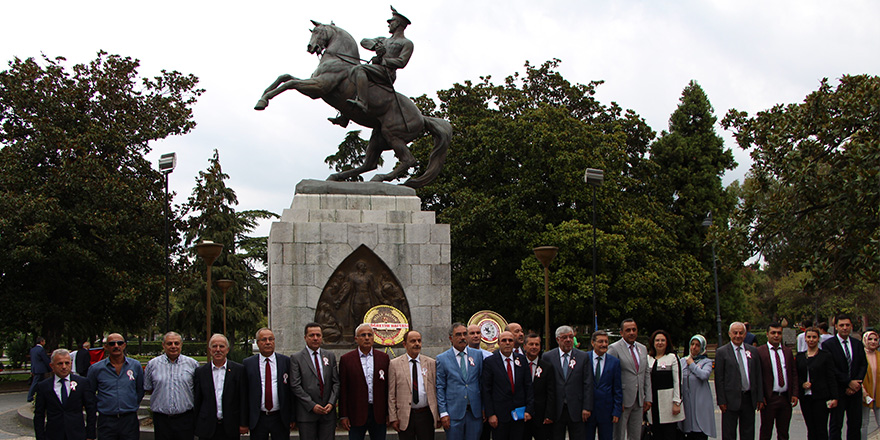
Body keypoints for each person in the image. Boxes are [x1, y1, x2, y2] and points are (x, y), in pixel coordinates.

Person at [345, 6, 414, 115]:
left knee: (359, 69)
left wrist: (383, 61)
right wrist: (375, 46)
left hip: (387, 73)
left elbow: (402, 62)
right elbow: (364, 41)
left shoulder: (406, 43)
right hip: (376, 69)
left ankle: (362, 103)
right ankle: (345, 115)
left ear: (398, 24)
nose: (389, 24)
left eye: (391, 22)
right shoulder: (383, 40)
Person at [87, 333, 145, 440]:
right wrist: (102, 404)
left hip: (129, 420)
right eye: (112, 343)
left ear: (124, 345)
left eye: (119, 343)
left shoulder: (135, 366)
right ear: (106, 346)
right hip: (106, 420)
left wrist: (131, 403)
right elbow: (90, 393)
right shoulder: (96, 369)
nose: (116, 346)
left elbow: (140, 390)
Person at [241, 328, 294, 440]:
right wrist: (244, 421)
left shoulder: (285, 361)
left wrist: (292, 417)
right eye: (264, 340)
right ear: (258, 343)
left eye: (271, 339)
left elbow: (291, 391)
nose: (268, 342)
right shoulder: (248, 364)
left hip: (279, 417)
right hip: (258, 418)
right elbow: (244, 394)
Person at [144, 331, 200, 440]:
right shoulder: (152, 365)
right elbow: (149, 388)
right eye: (169, 343)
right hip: (161, 420)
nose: (173, 346)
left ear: (181, 345)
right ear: (163, 345)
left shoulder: (193, 364)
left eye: (176, 343)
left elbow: (197, 389)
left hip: (185, 419)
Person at [339, 324, 389, 440]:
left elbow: (387, 387)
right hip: (356, 413)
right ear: (356, 339)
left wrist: (389, 413)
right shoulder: (346, 360)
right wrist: (343, 415)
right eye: (363, 335)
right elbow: (343, 389)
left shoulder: (383, 358)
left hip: (378, 413)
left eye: (369, 335)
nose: (367, 338)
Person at [541, 325, 592, 440]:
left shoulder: (582, 357)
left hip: (577, 408)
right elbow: (544, 385)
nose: (568, 340)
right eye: (564, 337)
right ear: (557, 339)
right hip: (556, 409)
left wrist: (587, 407)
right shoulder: (548, 357)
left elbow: (587, 383)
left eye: (571, 337)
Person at [715, 321, 764, 440]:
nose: (738, 336)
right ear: (729, 334)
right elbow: (719, 378)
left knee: (748, 432)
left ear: (745, 334)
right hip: (730, 400)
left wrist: (759, 397)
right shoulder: (722, 352)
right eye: (735, 333)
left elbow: (758, 375)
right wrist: (721, 400)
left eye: (741, 333)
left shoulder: (753, 351)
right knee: (729, 433)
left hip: (748, 398)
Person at [290, 322, 339, 440]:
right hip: (307, 414)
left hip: (327, 414)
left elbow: (336, 382)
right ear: (305, 338)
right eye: (311, 335)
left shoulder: (329, 356)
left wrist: (331, 403)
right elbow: (295, 385)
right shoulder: (296, 358)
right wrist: (312, 405)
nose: (315, 338)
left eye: (318, 335)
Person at [33, 348, 96, 440]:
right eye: (60, 363)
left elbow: (91, 409)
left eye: (67, 363)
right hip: (53, 435)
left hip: (77, 434)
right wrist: (40, 437)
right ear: (52, 366)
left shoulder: (82, 383)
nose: (64, 367)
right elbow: (39, 414)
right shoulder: (43, 386)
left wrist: (90, 435)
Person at [481, 331, 534, 440]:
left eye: (510, 340)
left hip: (519, 414)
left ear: (514, 343)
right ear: (499, 343)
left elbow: (528, 386)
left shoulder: (522, 359)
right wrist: (490, 414)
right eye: (504, 340)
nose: (507, 343)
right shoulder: (490, 362)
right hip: (499, 416)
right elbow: (486, 390)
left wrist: (529, 409)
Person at [388, 330, 440, 440]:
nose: (417, 344)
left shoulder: (431, 363)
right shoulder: (394, 364)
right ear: (404, 344)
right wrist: (393, 417)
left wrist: (438, 415)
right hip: (405, 415)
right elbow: (391, 393)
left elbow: (437, 390)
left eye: (419, 341)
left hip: (426, 414)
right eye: (412, 341)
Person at [822, 314, 868, 440]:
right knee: (836, 425)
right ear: (836, 327)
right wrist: (848, 382)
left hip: (855, 392)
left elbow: (863, 365)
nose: (845, 328)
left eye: (847, 325)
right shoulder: (828, 345)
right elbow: (831, 368)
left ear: (851, 326)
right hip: (838, 391)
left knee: (855, 425)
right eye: (841, 325)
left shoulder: (857, 344)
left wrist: (856, 384)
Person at [436, 322, 484, 440]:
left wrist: (484, 408)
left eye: (464, 334)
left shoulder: (478, 355)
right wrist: (443, 412)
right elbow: (440, 387)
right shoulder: (442, 359)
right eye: (458, 334)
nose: (462, 337)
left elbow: (482, 382)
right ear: (451, 338)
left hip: (474, 413)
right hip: (454, 413)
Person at [607, 318, 652, 440]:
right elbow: (609, 376)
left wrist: (648, 397)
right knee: (619, 435)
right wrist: (616, 400)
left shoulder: (642, 348)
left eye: (634, 330)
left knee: (636, 435)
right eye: (628, 330)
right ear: (621, 333)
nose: (631, 332)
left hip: (639, 400)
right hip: (622, 401)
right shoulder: (614, 349)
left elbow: (646, 373)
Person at [193, 334, 244, 440]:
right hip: (207, 427)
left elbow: (243, 399)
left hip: (230, 427)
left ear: (227, 349)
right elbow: (197, 400)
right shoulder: (201, 372)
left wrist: (243, 423)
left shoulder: (238, 370)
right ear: (209, 349)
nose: (218, 350)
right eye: (214, 346)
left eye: (221, 346)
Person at [756, 322, 799, 440]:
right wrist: (760, 396)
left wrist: (795, 393)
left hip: (785, 398)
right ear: (767, 334)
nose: (776, 335)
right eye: (773, 333)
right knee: (766, 431)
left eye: (779, 333)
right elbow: (757, 376)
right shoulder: (760, 352)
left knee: (784, 432)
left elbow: (793, 373)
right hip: (769, 399)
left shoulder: (787, 351)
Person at [797, 327, 839, 440]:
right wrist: (802, 384)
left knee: (821, 428)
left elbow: (831, 377)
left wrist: (834, 396)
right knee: (810, 428)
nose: (811, 340)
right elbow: (797, 376)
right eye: (809, 337)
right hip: (806, 398)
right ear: (805, 339)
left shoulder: (825, 356)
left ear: (818, 339)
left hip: (821, 397)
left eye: (814, 337)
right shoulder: (800, 357)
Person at [646, 329, 684, 439]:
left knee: (669, 433)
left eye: (663, 340)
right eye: (657, 340)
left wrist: (677, 402)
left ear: (667, 342)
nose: (660, 343)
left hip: (668, 403)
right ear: (653, 343)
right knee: (655, 433)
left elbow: (677, 380)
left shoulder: (672, 357)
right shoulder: (648, 359)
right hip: (652, 403)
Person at [679, 335, 716, 440]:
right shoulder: (683, 361)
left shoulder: (706, 362)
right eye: (692, 344)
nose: (694, 347)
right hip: (686, 403)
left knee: (699, 434)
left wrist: (691, 364)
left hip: (700, 403)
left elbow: (704, 375)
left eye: (697, 345)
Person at [585, 330, 621, 440]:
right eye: (601, 341)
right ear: (593, 343)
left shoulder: (614, 362)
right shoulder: (584, 358)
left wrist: (616, 410)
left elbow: (617, 388)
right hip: (588, 411)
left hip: (606, 411)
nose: (604, 344)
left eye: (606, 341)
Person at [523, 333, 555, 440]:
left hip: (541, 417)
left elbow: (551, 392)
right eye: (531, 344)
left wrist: (549, 415)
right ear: (524, 346)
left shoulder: (547, 367)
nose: (534, 347)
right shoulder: (518, 365)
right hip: (523, 415)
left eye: (537, 344)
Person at [862, 329, 880, 440]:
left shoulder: (879, 355)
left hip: (878, 393)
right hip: (864, 393)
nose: (873, 342)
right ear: (865, 340)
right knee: (864, 423)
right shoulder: (860, 355)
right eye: (870, 339)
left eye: (875, 339)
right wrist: (863, 392)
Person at [27, 337, 52, 402]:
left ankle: (41, 395)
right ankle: (30, 396)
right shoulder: (41, 350)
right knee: (35, 383)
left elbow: (33, 360)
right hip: (41, 369)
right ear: (41, 342)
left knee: (41, 383)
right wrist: (51, 367)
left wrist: (32, 369)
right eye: (44, 341)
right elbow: (45, 359)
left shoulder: (32, 350)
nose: (45, 343)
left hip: (35, 369)